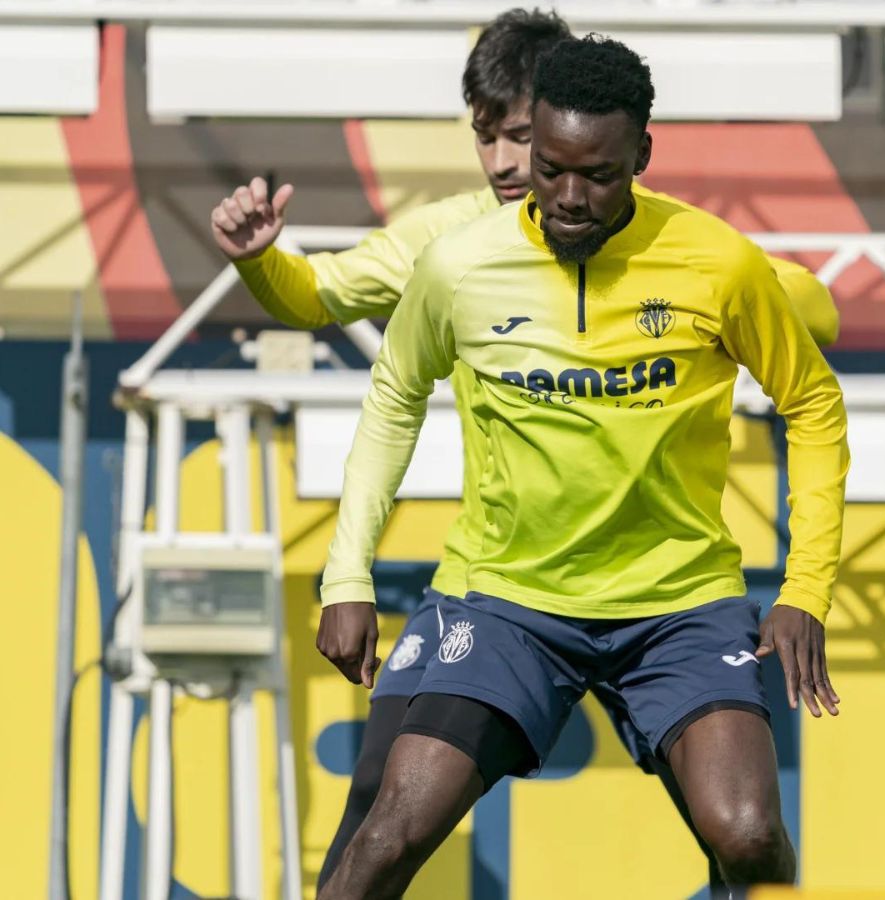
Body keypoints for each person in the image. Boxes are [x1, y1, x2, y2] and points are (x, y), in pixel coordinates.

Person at [212, 9, 840, 896]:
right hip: (505, 596)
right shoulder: (454, 254)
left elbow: (809, 372)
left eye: (586, 169)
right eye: (515, 149)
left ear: (636, 155)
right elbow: (350, 338)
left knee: (746, 838)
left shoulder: (711, 260)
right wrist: (346, 573)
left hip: (675, 601)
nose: (545, 184)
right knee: (384, 823)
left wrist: (805, 586)